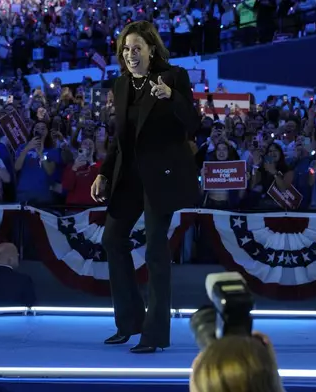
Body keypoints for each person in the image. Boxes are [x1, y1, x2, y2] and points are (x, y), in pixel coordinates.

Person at [90, 20, 199, 354]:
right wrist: (104, 173)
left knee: (155, 250)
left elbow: (194, 124)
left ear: (152, 49)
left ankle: (155, 334)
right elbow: (120, 140)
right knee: (112, 238)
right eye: (126, 49)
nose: (130, 54)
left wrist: (172, 97)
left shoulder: (173, 77)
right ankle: (129, 322)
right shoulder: (121, 85)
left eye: (137, 47)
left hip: (161, 177)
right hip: (129, 177)